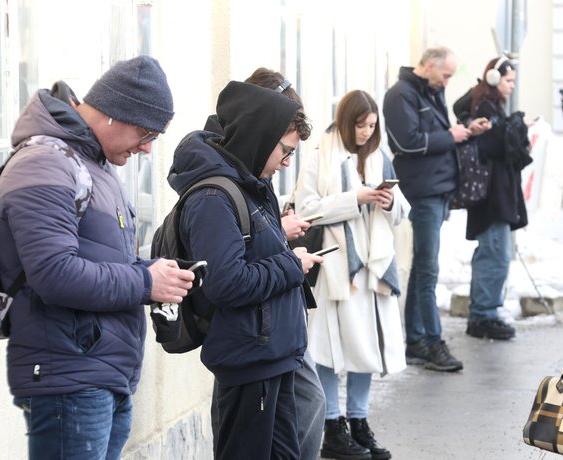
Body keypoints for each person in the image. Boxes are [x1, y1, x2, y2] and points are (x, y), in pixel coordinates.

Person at [0, 55, 195, 460]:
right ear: (113, 116)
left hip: (99, 374)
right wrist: (144, 282)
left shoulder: (93, 164)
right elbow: (54, 274)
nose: (149, 147)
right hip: (68, 379)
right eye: (145, 132)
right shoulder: (45, 162)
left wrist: (151, 273)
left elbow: (97, 260)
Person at [169, 80, 321, 459]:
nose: (288, 162)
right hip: (251, 358)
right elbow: (226, 282)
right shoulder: (213, 196)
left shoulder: (253, 183)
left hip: (274, 354)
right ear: (259, 138)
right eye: (285, 151)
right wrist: (291, 264)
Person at [295, 90, 409, 460]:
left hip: (374, 268)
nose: (365, 132)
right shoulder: (319, 154)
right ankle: (333, 425)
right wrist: (354, 198)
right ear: (346, 122)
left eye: (372, 125)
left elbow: (402, 210)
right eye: (360, 125)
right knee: (328, 347)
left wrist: (390, 202)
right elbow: (305, 210)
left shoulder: (379, 157)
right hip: (336, 268)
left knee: (368, 347)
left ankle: (358, 421)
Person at [383, 46, 489, 372]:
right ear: (429, 66)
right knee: (427, 271)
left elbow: (437, 135)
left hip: (437, 191)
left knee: (422, 269)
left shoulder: (428, 91)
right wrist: (450, 134)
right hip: (424, 192)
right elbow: (407, 143)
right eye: (446, 75)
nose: (447, 82)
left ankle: (417, 342)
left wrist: (466, 132)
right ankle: (431, 340)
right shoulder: (400, 94)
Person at [453, 57, 533, 340]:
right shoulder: (485, 105)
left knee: (492, 253)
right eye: (508, 80)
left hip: (495, 194)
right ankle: (483, 315)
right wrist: (518, 125)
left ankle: (483, 312)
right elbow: (495, 145)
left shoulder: (488, 104)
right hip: (492, 196)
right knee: (495, 255)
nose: (512, 86)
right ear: (494, 79)